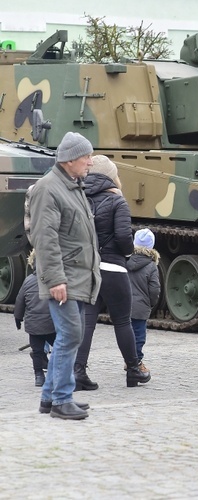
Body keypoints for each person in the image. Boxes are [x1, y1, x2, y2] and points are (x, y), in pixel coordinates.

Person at [28, 131, 101, 420]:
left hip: (76, 276)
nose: (90, 162)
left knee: (69, 334)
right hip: (65, 279)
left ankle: (49, 398)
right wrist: (56, 279)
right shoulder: (50, 188)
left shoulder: (71, 185)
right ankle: (61, 399)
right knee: (71, 334)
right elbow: (45, 239)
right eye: (86, 157)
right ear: (70, 160)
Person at [74, 155, 151, 390]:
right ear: (110, 175)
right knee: (122, 321)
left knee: (87, 322)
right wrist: (127, 254)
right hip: (114, 268)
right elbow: (124, 238)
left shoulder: (80, 199)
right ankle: (134, 370)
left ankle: (78, 372)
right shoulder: (118, 201)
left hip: (89, 269)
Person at [14, 250, 57, 387]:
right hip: (51, 324)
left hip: (34, 326)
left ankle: (39, 376)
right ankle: (59, 373)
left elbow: (20, 301)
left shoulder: (27, 281)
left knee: (37, 352)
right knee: (59, 347)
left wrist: (18, 317)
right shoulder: (54, 280)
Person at [127, 228, 161, 368]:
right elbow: (154, 289)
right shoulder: (151, 266)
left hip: (125, 305)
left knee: (127, 333)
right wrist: (151, 303)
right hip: (141, 307)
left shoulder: (125, 260)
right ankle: (136, 362)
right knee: (139, 336)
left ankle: (128, 358)